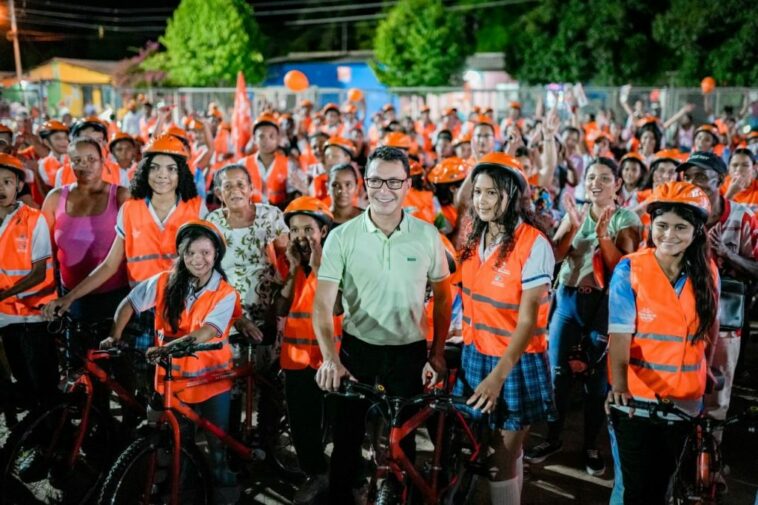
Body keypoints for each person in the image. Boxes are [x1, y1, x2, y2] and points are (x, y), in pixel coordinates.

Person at [313, 146, 452, 503]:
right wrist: (331, 357)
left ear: (407, 184)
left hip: (409, 351)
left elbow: (443, 296)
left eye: (393, 181)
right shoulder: (341, 237)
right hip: (357, 350)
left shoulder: (425, 235)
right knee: (345, 439)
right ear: (365, 183)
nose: (384, 190)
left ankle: (400, 492)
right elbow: (323, 306)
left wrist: (436, 353)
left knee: (402, 439)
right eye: (376, 180)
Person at [101, 220, 240, 499]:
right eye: (190, 252)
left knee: (216, 443)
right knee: (176, 442)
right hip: (172, 382)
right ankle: (179, 486)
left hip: (212, 380)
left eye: (205, 253)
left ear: (216, 256)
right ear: (181, 253)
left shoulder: (225, 293)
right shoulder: (164, 281)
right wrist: (114, 336)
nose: (197, 260)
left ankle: (223, 484)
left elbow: (207, 332)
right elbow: (129, 303)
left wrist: (166, 349)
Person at [606, 181, 719, 505]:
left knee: (661, 486)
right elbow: (619, 334)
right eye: (662, 225)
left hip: (683, 401)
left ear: (696, 231)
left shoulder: (707, 271)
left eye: (680, 227)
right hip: (635, 402)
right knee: (636, 490)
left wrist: (707, 372)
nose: (669, 234)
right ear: (650, 225)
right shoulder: (630, 269)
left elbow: (709, 331)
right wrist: (619, 383)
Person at [526, 157, 641, 475]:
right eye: (591, 177)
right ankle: (553, 438)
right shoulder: (574, 214)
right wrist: (573, 228)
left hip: (603, 309)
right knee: (558, 375)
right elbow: (556, 257)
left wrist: (604, 237)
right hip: (567, 300)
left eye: (605, 178)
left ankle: (591, 445)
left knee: (596, 381)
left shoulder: (625, 218)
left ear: (617, 184)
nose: (596, 183)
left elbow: (625, 268)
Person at [453, 152, 555, 505]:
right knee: (483, 449)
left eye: (492, 193)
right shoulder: (472, 238)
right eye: (477, 192)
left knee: (501, 458)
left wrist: (497, 377)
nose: (481, 200)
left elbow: (527, 322)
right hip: (473, 355)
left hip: (514, 365)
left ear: (511, 195)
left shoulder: (534, 244)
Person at [43, 134, 206, 355]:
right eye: (155, 168)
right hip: (142, 307)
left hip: (185, 305)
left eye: (171, 169)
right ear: (145, 171)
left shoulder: (197, 208)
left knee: (180, 378)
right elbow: (110, 265)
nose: (162, 176)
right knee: (140, 378)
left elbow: (210, 264)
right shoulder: (130, 209)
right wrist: (70, 297)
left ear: (181, 173)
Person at [678, 151, 758, 445]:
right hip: (680, 317)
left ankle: (708, 462)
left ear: (721, 180)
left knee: (716, 395)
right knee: (681, 389)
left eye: (701, 175)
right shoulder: (679, 213)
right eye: (688, 176)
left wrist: (727, 255)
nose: (692, 182)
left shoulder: (743, 217)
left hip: (726, 321)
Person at [277, 196, 339, 504]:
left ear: (324, 231)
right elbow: (281, 307)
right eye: (295, 230)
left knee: (341, 425)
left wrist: (318, 268)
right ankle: (315, 475)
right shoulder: (290, 264)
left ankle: (344, 478)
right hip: (296, 360)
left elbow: (339, 305)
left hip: (332, 360)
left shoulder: (337, 259)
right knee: (302, 425)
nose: (301, 236)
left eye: (308, 229)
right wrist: (291, 270)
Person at [41, 137, 130, 325]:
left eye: (91, 159)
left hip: (115, 298)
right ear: (69, 163)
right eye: (77, 160)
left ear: (103, 161)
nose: (85, 166)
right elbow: (45, 253)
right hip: (69, 300)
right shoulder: (55, 198)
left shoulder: (120, 196)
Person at [0, 153, 58, 412]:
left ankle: (55, 441)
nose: (1, 188)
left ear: (19, 186)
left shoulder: (34, 219)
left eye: (7, 182)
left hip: (34, 317)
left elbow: (38, 272)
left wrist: (5, 294)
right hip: (6, 318)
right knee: (21, 381)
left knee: (44, 385)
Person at [207, 164, 289, 344]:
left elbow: (288, 261)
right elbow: (208, 274)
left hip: (272, 311)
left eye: (241, 184)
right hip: (230, 312)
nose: (235, 190)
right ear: (219, 193)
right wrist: (236, 317)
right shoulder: (213, 222)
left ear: (251, 189)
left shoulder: (271, 215)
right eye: (228, 186)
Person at [238, 113, 307, 208]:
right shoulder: (243, 165)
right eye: (261, 136)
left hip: (278, 215)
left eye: (271, 136)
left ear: (278, 139)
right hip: (249, 215)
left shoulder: (289, 165)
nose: (266, 141)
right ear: (254, 139)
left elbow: (293, 195)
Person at [328, 162, 363, 227]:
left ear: (356, 187)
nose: (342, 190)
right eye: (336, 185)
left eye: (348, 185)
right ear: (327, 187)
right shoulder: (319, 221)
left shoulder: (366, 219)